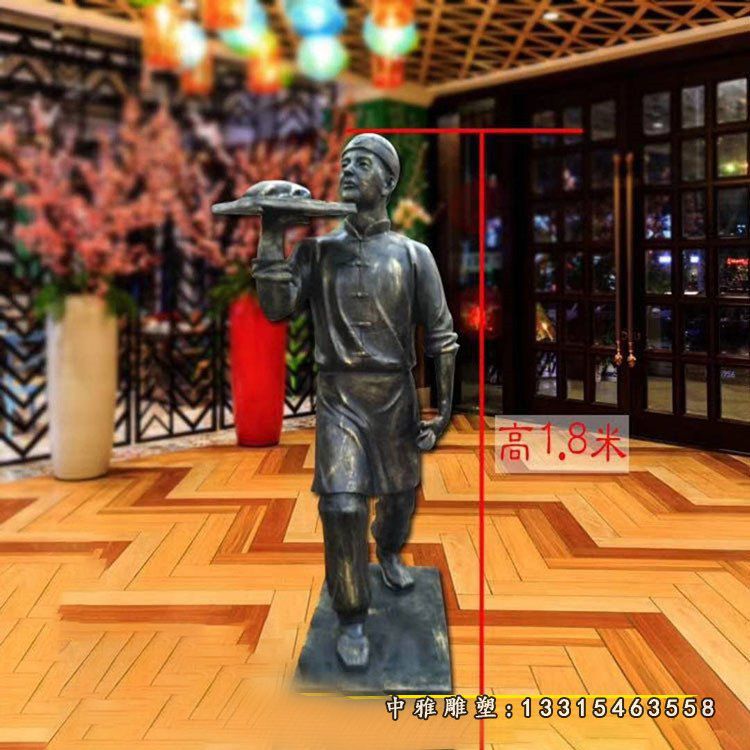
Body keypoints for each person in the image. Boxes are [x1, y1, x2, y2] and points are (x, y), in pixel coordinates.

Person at [252, 133, 458, 670]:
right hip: (339, 397)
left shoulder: (414, 255)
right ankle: (350, 616)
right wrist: (271, 234)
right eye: (344, 162)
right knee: (341, 506)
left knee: (398, 501)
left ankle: (388, 549)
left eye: (362, 163)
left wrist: (443, 415)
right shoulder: (316, 252)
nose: (347, 170)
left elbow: (442, 337)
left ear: (387, 181)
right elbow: (276, 308)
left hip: (395, 398)